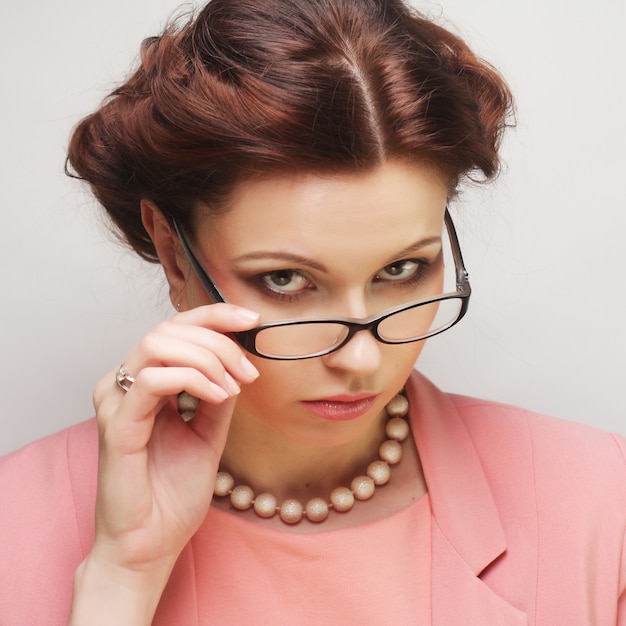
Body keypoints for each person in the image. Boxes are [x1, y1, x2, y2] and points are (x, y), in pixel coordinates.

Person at [0, 0, 624, 624]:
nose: (361, 358)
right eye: (286, 279)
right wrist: (120, 576)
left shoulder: (601, 499)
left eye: (401, 270)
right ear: (173, 251)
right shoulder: (16, 520)